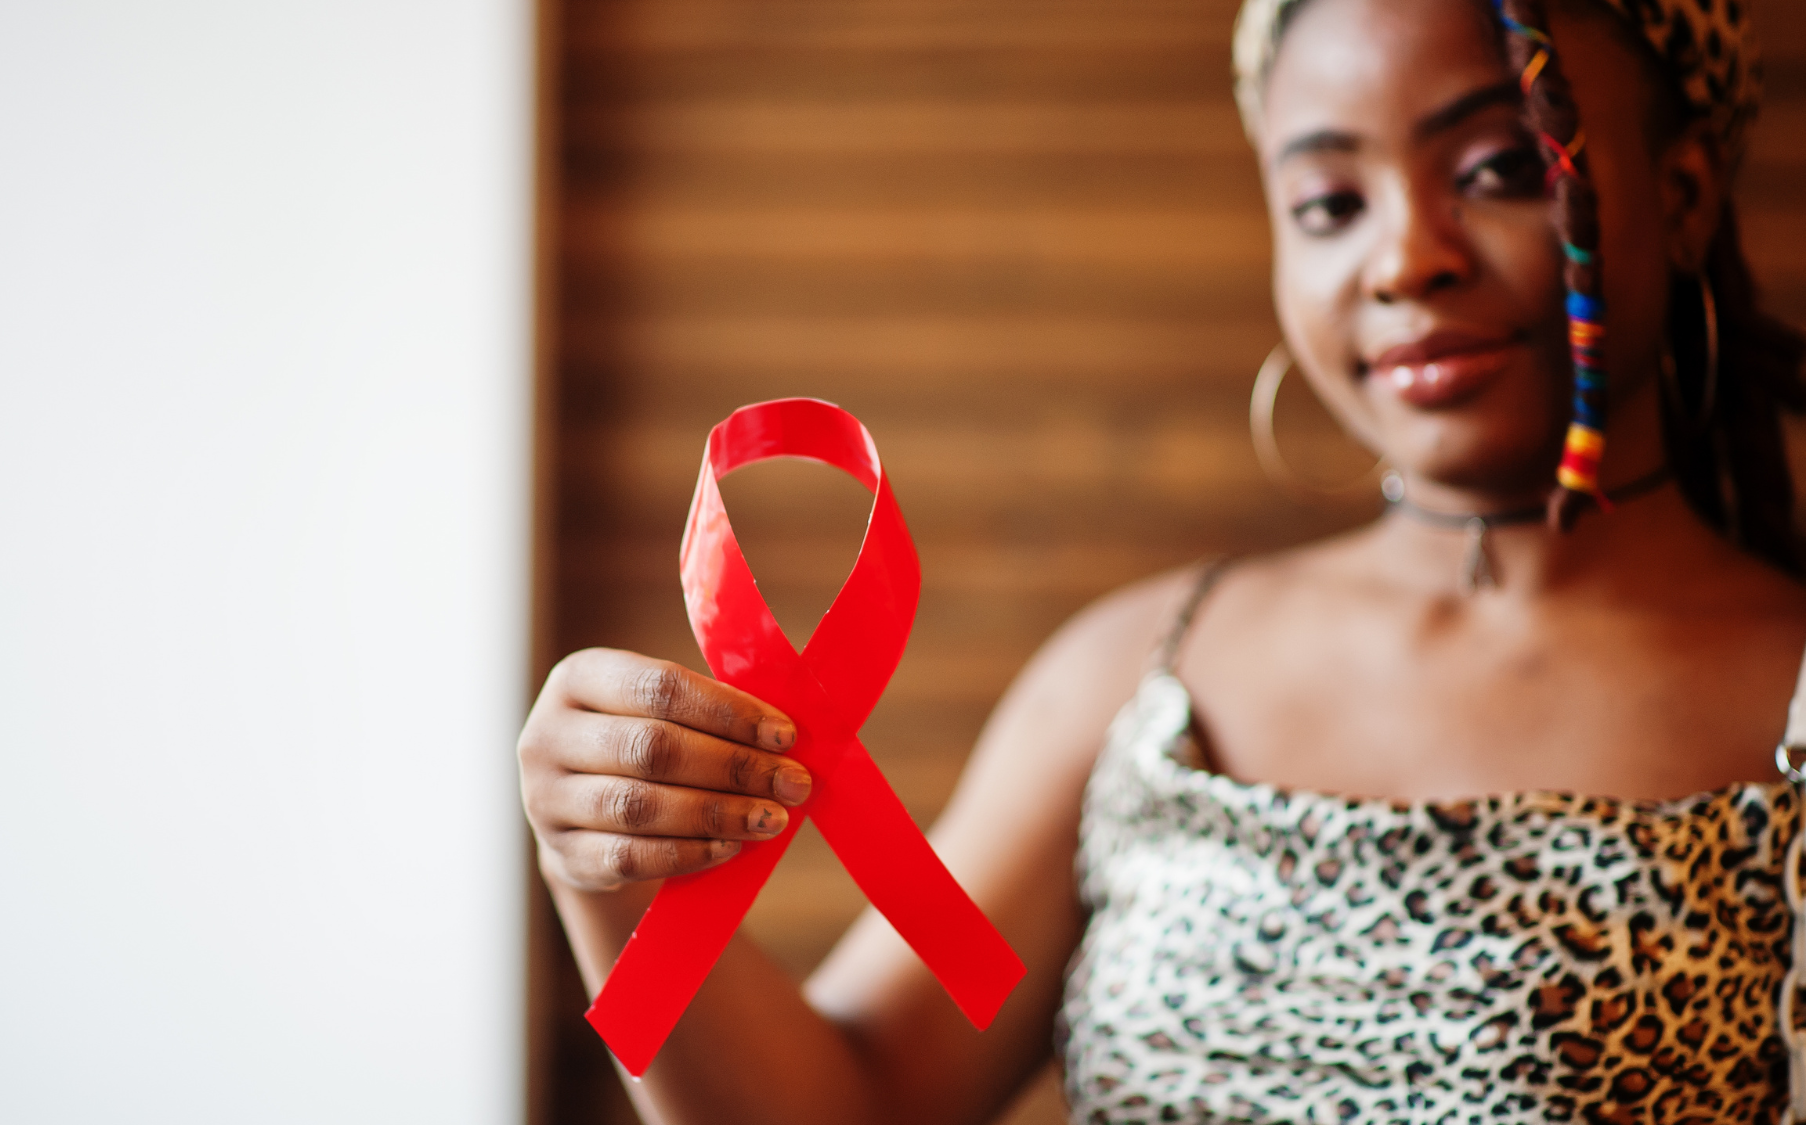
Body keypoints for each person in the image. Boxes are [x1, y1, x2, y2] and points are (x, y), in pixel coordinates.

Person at [516, 0, 1806, 1119]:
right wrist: (610, 887)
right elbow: (854, 1100)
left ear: (1683, 195)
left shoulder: (1784, 693)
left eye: (1497, 171)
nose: (1406, 259)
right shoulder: (1142, 675)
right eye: (1330, 203)